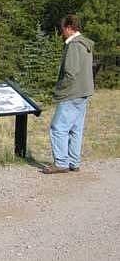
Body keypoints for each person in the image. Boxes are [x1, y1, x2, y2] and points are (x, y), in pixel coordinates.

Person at [43, 14, 94, 174]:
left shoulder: (73, 45)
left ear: (69, 28)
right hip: (84, 92)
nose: (61, 33)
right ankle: (74, 162)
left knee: (58, 128)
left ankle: (61, 163)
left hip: (71, 93)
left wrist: (59, 90)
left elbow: (70, 73)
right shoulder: (86, 45)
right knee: (75, 129)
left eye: (62, 30)